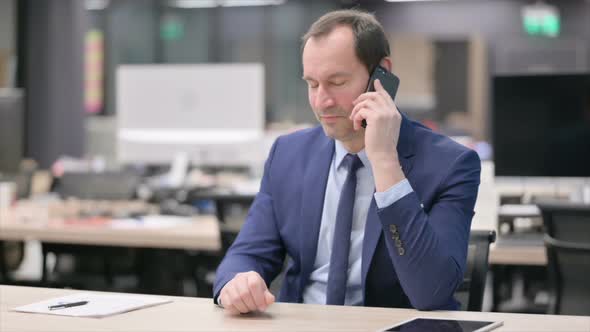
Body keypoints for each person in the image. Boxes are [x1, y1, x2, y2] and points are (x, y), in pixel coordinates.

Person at [213, 9, 481, 314]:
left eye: (337, 82)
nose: (321, 101)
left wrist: (384, 160)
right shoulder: (288, 154)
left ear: (382, 75)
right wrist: (237, 283)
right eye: (312, 84)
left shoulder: (451, 164)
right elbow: (245, 255)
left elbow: (431, 292)